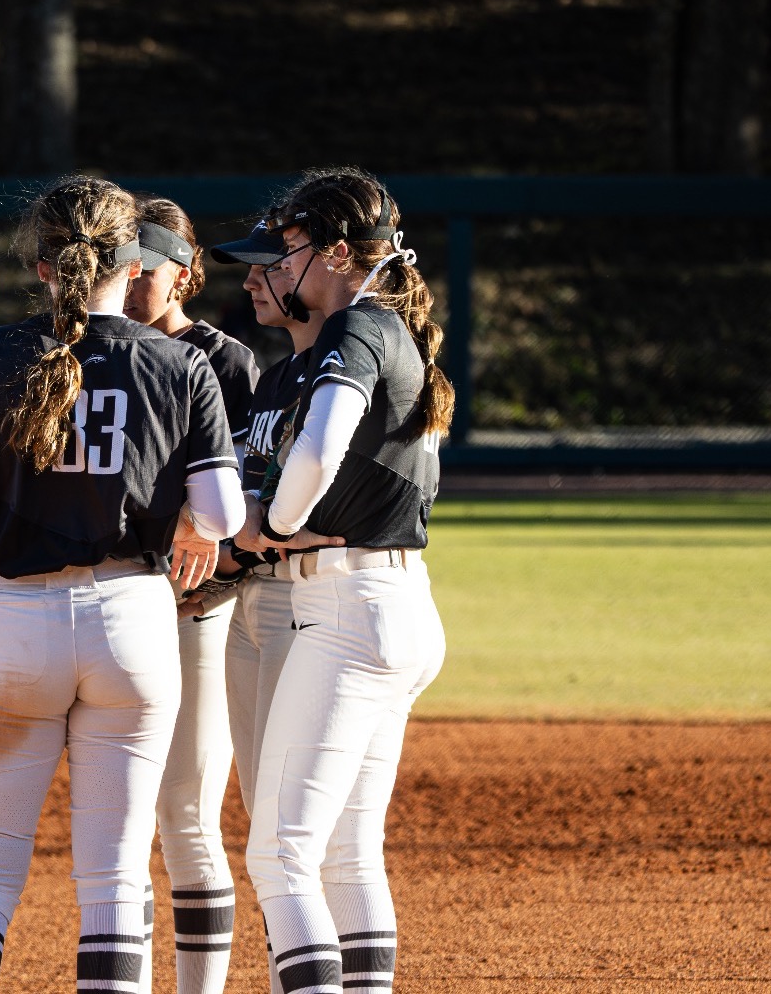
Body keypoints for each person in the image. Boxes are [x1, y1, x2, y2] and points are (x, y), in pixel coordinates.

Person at [0, 175, 245, 994]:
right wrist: (194, 526)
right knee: (115, 882)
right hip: (131, 623)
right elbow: (225, 513)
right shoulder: (179, 362)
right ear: (132, 265)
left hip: (11, 625)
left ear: (40, 264)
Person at [231, 168, 451, 994]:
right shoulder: (390, 330)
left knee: (281, 855)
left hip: (347, 608)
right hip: (392, 600)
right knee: (349, 855)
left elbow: (321, 448)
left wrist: (273, 527)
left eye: (287, 250)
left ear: (333, 253)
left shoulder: (361, 324)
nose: (274, 269)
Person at [122, 195, 259, 994]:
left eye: (148, 263)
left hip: (196, 610)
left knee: (185, 813)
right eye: (124, 262)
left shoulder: (224, 361)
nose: (134, 276)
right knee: (123, 826)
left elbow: (237, 500)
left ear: (185, 272)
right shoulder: (94, 352)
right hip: (112, 607)